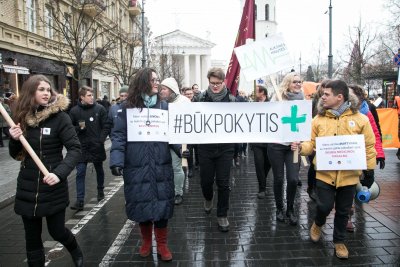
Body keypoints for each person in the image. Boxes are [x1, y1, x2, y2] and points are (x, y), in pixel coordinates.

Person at [292, 79, 376, 259]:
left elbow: (369, 145)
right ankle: (318, 223)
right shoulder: (318, 120)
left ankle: (339, 242)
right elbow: (310, 143)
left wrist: (369, 170)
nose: (322, 97)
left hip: (349, 176)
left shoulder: (360, 119)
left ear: (339, 97)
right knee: (324, 205)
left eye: (326, 94)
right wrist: (301, 148)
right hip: (324, 174)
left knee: (344, 211)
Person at [8, 75, 83, 266]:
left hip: (52, 185)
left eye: (48, 89)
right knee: (32, 238)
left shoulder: (60, 118)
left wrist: (59, 174)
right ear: (31, 92)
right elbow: (16, 155)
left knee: (57, 231)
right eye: (41, 89)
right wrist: (14, 139)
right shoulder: (21, 117)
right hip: (28, 185)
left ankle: (75, 249)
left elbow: (75, 149)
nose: (46, 93)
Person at [109, 68, 175, 261]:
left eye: (158, 79)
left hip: (161, 164)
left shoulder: (164, 107)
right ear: (143, 82)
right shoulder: (127, 108)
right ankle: (146, 241)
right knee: (142, 205)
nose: (157, 83)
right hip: (136, 165)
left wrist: (183, 149)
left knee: (162, 206)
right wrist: (116, 160)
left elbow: (175, 133)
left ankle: (162, 244)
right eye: (153, 80)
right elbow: (119, 136)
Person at [197, 67, 236, 232]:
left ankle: (222, 214)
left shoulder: (232, 100)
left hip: (225, 148)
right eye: (212, 83)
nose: (215, 86)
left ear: (223, 82)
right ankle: (208, 198)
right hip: (205, 147)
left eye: (218, 83)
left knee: (223, 182)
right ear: (208, 82)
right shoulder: (200, 98)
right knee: (206, 181)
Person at [345, 84, 385, 232]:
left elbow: (375, 133)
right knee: (347, 187)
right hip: (348, 155)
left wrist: (379, 154)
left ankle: (354, 206)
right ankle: (348, 216)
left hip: (363, 155)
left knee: (361, 185)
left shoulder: (368, 111)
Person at [268, 72, 303, 226]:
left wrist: (300, 141)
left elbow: (305, 123)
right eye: (295, 81)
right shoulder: (277, 97)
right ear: (288, 83)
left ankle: (290, 208)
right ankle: (279, 208)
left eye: (300, 82)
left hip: (293, 146)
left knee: (293, 179)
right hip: (276, 145)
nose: (298, 84)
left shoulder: (303, 99)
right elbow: (268, 119)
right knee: (279, 179)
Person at [69, 86, 110, 210]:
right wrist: (78, 128)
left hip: (96, 145)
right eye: (89, 95)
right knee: (80, 172)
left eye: (92, 95)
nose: (92, 97)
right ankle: (80, 200)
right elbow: (69, 129)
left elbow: (106, 126)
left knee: (99, 168)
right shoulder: (74, 111)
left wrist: (101, 139)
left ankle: (100, 190)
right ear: (82, 97)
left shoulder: (100, 109)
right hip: (82, 147)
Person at [159, 77, 190, 205]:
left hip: (178, 140)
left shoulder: (184, 101)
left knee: (177, 167)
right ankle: (169, 189)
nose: (161, 91)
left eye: (164, 89)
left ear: (171, 90)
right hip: (164, 139)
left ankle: (178, 193)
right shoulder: (161, 102)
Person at [252, 85, 272, 199]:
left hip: (269, 141)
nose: (254, 93)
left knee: (268, 163)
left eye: (256, 91)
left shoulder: (272, 104)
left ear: (262, 92)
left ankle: (263, 179)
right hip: (257, 141)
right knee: (259, 164)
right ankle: (262, 188)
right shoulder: (253, 105)